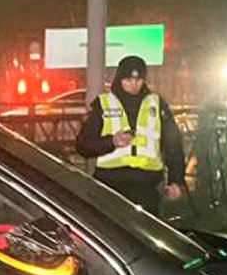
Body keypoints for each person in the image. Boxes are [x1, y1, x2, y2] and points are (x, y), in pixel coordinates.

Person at [75, 55, 186, 215]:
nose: (134, 85)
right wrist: (112, 142)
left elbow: (173, 144)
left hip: (147, 188)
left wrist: (176, 179)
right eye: (128, 80)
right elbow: (83, 146)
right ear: (119, 79)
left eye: (138, 80)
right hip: (110, 187)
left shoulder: (157, 104)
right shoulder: (103, 104)